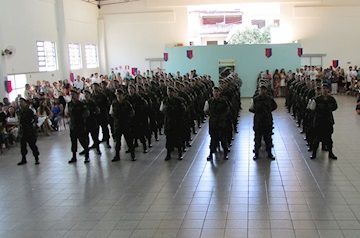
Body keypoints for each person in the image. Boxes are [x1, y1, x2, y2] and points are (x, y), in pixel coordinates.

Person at [309, 83, 338, 160]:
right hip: (319, 121)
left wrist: (328, 110)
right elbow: (311, 108)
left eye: (326, 89)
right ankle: (314, 153)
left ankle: (330, 153)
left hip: (328, 120)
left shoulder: (331, 99)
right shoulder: (316, 99)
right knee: (316, 138)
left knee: (329, 138)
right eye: (323, 88)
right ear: (321, 90)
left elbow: (335, 107)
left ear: (328, 90)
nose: (325, 90)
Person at [250, 84, 277, 160]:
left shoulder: (269, 99)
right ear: (259, 90)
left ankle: (269, 154)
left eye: (264, 90)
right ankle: (256, 154)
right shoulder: (255, 99)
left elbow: (275, 106)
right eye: (261, 90)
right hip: (258, 121)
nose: (263, 91)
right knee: (257, 139)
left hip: (267, 121)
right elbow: (251, 108)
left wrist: (268, 112)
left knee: (268, 139)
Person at [204, 86, 230, 161]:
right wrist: (212, 116)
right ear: (212, 92)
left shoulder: (224, 101)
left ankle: (225, 154)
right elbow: (206, 110)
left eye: (217, 91)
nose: (216, 93)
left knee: (223, 139)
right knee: (213, 139)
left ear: (219, 92)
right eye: (214, 91)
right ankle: (211, 154)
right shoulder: (209, 101)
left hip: (221, 122)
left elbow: (227, 110)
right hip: (213, 123)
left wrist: (222, 117)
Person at [161, 86, 186, 160]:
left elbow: (183, 111)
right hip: (168, 122)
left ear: (175, 93)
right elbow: (162, 110)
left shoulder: (179, 101)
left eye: (171, 92)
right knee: (168, 139)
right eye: (168, 92)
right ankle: (168, 154)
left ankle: (180, 154)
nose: (169, 93)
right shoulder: (165, 100)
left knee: (178, 138)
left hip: (177, 122)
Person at [110, 89, 135, 161]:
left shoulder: (127, 103)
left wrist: (127, 119)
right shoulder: (114, 104)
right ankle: (117, 155)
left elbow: (132, 112)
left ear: (123, 95)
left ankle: (132, 155)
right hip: (117, 125)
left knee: (129, 140)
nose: (119, 96)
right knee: (117, 141)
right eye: (117, 95)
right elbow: (111, 113)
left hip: (126, 124)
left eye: (120, 95)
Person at [66, 89, 90, 164]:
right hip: (73, 125)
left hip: (80, 125)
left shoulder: (81, 104)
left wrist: (82, 119)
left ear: (77, 95)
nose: (72, 96)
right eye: (71, 95)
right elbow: (67, 113)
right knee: (73, 142)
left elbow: (86, 113)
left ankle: (87, 155)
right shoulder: (69, 104)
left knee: (83, 141)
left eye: (73, 94)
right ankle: (74, 156)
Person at [16, 98, 40, 165]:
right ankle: (24, 159)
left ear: (25, 103)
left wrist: (33, 126)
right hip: (22, 130)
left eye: (21, 101)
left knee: (32, 145)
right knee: (22, 146)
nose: (20, 103)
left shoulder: (29, 111)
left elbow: (35, 118)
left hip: (29, 130)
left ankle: (36, 158)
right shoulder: (18, 111)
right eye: (19, 102)